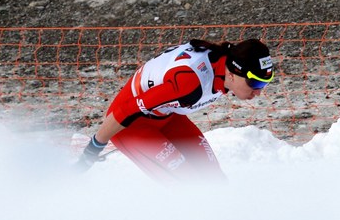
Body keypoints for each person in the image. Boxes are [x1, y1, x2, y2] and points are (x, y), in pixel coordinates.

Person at [74, 38, 274, 182]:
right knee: (187, 185)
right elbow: (125, 110)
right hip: (131, 125)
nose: (258, 92)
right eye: (255, 84)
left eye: (265, 84)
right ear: (232, 74)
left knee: (215, 180)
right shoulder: (189, 83)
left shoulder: (226, 62)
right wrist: (92, 150)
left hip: (167, 116)